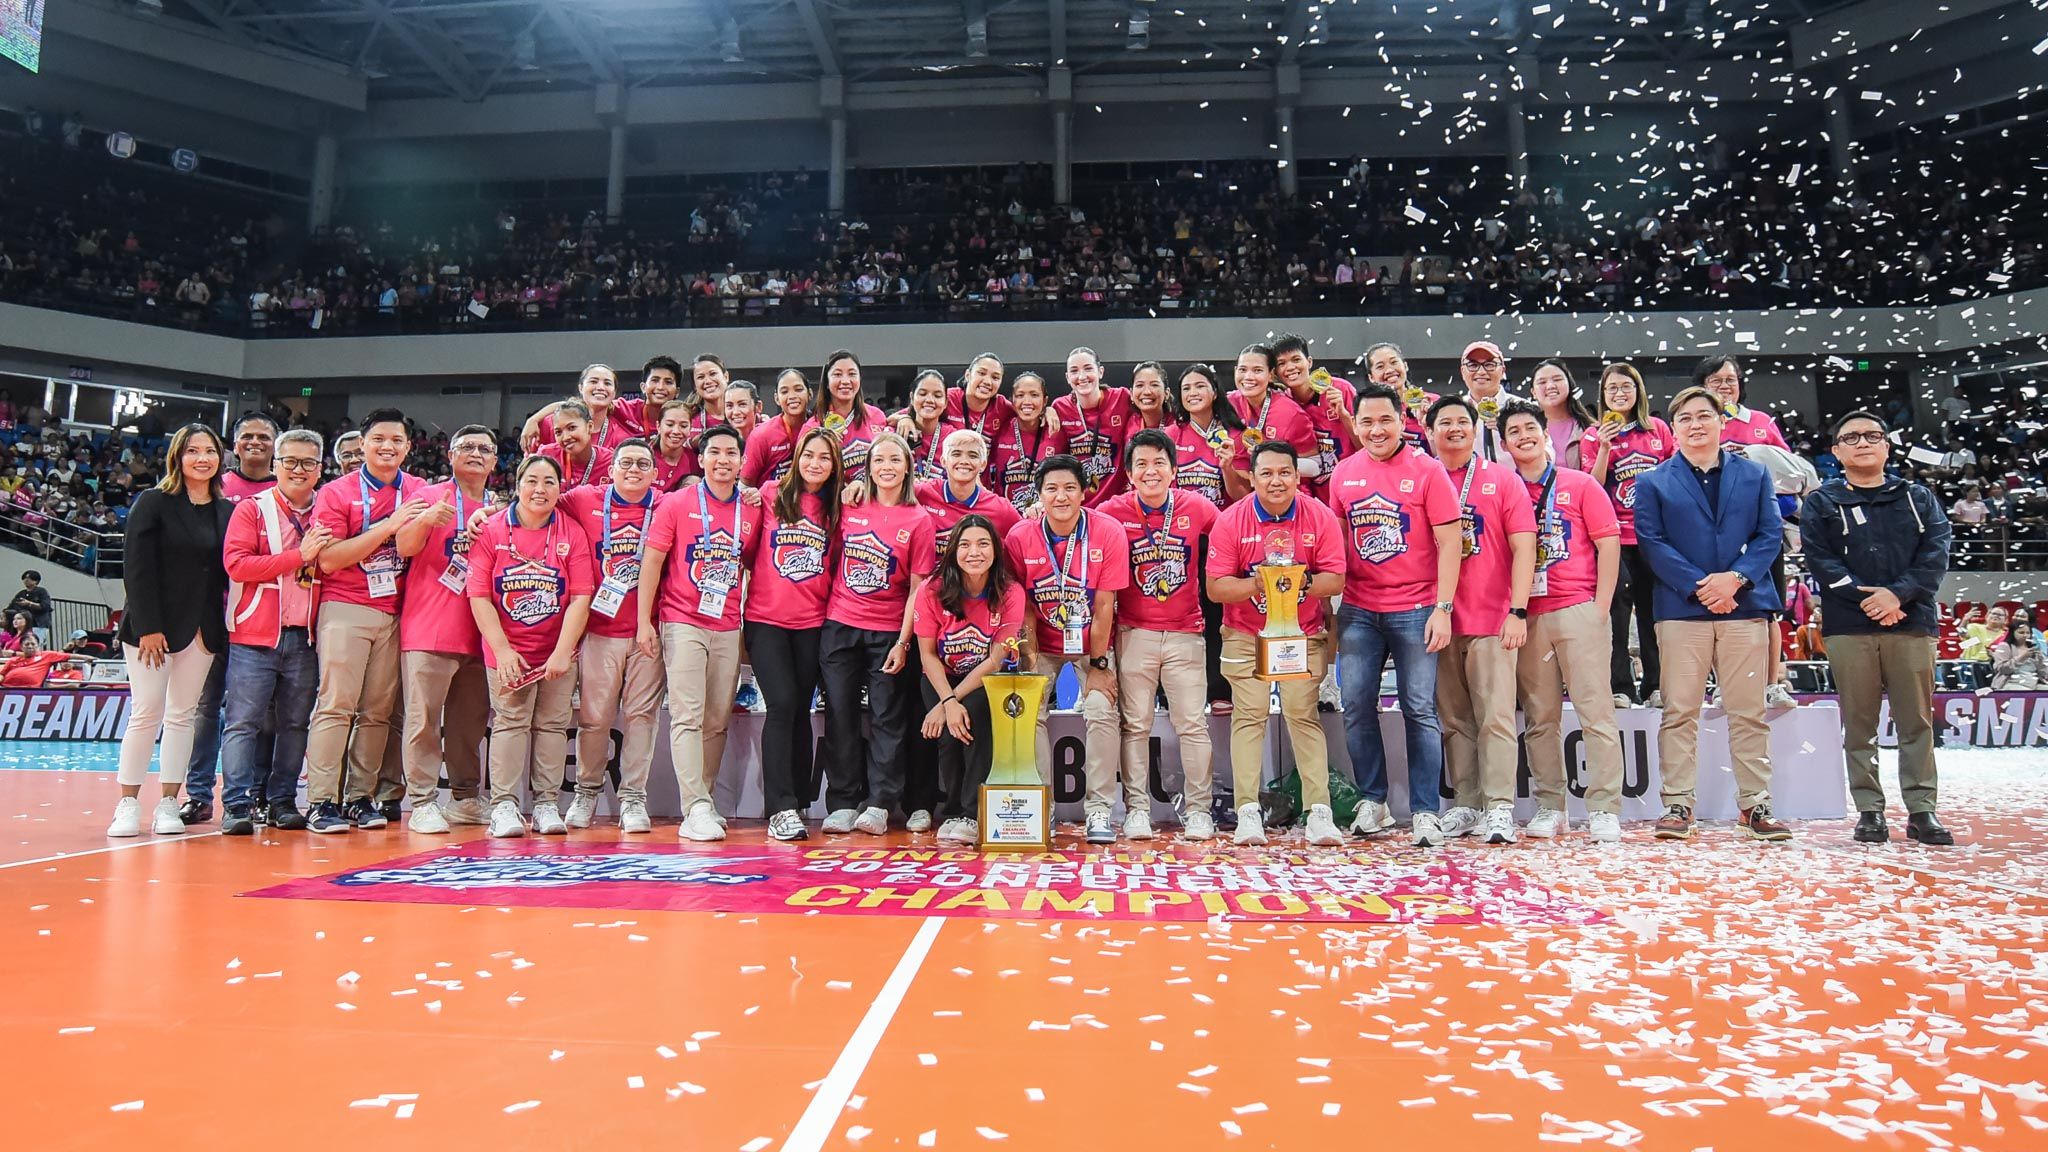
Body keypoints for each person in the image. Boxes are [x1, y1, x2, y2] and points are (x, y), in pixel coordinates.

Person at [1634, 386, 1788, 842]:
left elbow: (1769, 534)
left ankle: (1755, 805)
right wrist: (1702, 586)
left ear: (1722, 422)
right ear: (1673, 428)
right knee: (1679, 711)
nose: (1696, 425)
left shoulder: (1756, 475)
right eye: (1685, 418)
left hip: (1744, 605)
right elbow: (1651, 542)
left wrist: (1735, 580)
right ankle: (1678, 803)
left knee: (1748, 711)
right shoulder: (1653, 481)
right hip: (1682, 608)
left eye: (1705, 416)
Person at [1803, 410, 1957, 844]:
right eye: (1851, 437)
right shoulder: (1822, 502)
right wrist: (1868, 599)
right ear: (1836, 452)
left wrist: (1898, 595)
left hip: (1911, 622)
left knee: (1917, 723)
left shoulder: (1918, 497)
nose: (1863, 443)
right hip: (1849, 626)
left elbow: (1935, 555)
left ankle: (1922, 810)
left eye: (1873, 435)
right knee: (1859, 723)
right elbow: (1820, 559)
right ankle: (1870, 811)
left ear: (1886, 446)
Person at [1326, 382, 1461, 844]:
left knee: (1420, 709)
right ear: (1356, 424)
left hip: (1417, 607)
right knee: (1355, 706)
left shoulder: (1429, 471)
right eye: (1366, 421)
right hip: (1360, 609)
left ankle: (1425, 810)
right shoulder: (1343, 474)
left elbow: (1450, 544)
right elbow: (1338, 545)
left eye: (1385, 420)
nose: (1376, 429)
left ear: (1403, 419)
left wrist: (1443, 608)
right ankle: (1374, 800)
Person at [1206, 440, 1347, 846]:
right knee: (1248, 715)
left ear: (1297, 474)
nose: (1276, 481)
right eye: (1266, 473)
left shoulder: (1318, 516)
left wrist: (1295, 582)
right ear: (1251, 477)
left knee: (1302, 715)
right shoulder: (1232, 520)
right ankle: (1249, 811)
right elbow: (1216, 588)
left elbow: (1335, 579)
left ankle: (1318, 811)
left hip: (1300, 633)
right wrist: (1262, 583)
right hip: (1245, 633)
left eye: (1285, 472)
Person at [1498, 400, 1624, 843]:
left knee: (1596, 711)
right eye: (1514, 431)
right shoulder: (1505, 490)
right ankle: (1550, 805)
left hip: (1578, 607)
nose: (1524, 436)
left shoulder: (1581, 484)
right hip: (1529, 614)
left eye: (1530, 427)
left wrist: (1600, 606)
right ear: (1504, 442)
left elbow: (1609, 544)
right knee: (1539, 716)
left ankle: (1605, 807)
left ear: (1545, 434)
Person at [107, 424, 233, 838]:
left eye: (209, 451)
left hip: (203, 630)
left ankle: (167, 803)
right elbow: (137, 569)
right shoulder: (153, 502)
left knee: (183, 717)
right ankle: (127, 803)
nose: (202, 458)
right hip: (152, 630)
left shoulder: (226, 510)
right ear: (177, 457)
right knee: (146, 712)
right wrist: (148, 627)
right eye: (192, 451)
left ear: (219, 458)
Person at [307, 408, 428, 834]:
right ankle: (321, 800)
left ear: (408, 447)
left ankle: (360, 796)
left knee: (378, 711)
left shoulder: (419, 489)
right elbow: (328, 558)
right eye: (379, 439)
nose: (387, 447)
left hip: (396, 610)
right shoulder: (336, 492)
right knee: (337, 704)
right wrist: (388, 527)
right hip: (346, 605)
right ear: (363, 444)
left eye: (396, 440)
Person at [639, 425, 762, 841]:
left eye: (731, 453)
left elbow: (748, 566)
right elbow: (652, 564)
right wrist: (645, 622)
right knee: (687, 715)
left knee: (716, 719)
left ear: (742, 462)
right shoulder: (677, 503)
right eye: (715, 452)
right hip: (683, 620)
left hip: (728, 623)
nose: (723, 460)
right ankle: (693, 806)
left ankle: (704, 799)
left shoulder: (752, 508)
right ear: (703, 458)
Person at [1101, 430, 1221, 839]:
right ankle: (1136, 810)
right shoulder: (1113, 510)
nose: (1150, 472)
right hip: (1133, 633)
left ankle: (1200, 810)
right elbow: (1079, 529)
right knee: (1134, 725)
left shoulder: (1197, 507)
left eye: (1159, 464)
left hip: (1187, 631)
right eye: (1141, 465)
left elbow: (1231, 533)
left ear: (1174, 469)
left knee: (1193, 724)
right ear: (1130, 473)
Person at [1428, 396, 1537, 844]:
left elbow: (1525, 547)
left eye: (1462, 422)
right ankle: (1467, 804)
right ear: (1429, 429)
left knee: (1495, 716)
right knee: (1454, 719)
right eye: (1444, 422)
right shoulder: (1423, 478)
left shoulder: (1502, 479)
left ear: (1477, 430)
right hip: (1438, 619)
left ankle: (1499, 807)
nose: (1454, 429)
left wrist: (1518, 609)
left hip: (1492, 616)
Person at [1005, 453, 1131, 842]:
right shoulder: (1020, 536)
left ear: (1084, 493)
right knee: (1028, 711)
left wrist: (1098, 664)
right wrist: (1028, 659)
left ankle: (1099, 811)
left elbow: (1106, 604)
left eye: (1070, 488)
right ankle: (1041, 808)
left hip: (1089, 641)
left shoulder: (1107, 531)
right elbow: (1022, 603)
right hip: (1040, 641)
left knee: (1100, 708)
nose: (1061, 497)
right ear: (1038, 494)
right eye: (1051, 489)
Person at [469, 455, 595, 838]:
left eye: (549, 482)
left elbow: (580, 596)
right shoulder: (490, 530)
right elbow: (478, 596)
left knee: (554, 726)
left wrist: (562, 650)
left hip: (557, 650)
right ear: (517, 484)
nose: (540, 490)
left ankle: (545, 803)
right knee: (509, 722)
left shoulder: (571, 531)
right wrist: (503, 650)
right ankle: (504, 805)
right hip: (508, 651)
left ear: (560, 490)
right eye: (532, 481)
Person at [817, 433, 934, 834]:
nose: (886, 466)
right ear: (867, 466)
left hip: (887, 631)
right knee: (840, 714)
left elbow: (918, 589)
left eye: (894, 459)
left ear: (907, 467)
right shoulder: (849, 505)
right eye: (878, 459)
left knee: (887, 716)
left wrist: (903, 642)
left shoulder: (919, 519)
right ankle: (845, 800)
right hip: (840, 624)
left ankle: (881, 802)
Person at [219, 429, 332, 835]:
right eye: (290, 462)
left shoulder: (327, 511)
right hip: (255, 634)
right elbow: (237, 565)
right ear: (276, 465)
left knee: (295, 723)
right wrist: (296, 557)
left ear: (320, 469)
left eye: (308, 463)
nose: (298, 470)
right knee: (242, 722)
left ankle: (282, 800)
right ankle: (235, 804)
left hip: (306, 636)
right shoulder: (252, 509)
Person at [393, 424, 496, 834]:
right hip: (430, 627)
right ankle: (421, 800)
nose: (476, 453)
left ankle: (465, 798)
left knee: (469, 723)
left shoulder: (501, 507)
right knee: (422, 719)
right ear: (450, 456)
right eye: (466, 446)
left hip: (480, 632)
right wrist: (427, 521)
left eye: (484, 448)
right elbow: (403, 546)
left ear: (494, 460)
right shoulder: (428, 496)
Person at [560, 439, 666, 835]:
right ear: (612, 469)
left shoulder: (666, 504)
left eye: (643, 464)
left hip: (647, 630)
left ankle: (633, 796)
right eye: (626, 462)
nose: (634, 469)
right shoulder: (585, 498)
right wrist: (488, 513)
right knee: (594, 718)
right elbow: (536, 499)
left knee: (642, 717)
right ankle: (587, 791)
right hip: (600, 628)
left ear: (655, 475)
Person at [187, 410, 285, 824]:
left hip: (263, 620)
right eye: (248, 436)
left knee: (262, 715)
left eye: (265, 436)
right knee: (205, 707)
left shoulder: (288, 489)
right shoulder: (216, 487)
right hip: (214, 613)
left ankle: (256, 792)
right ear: (234, 443)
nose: (256, 442)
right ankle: (198, 793)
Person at [747, 429, 843, 841]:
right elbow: (748, 552)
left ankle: (800, 800)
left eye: (825, 457)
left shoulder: (837, 508)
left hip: (813, 623)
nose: (816, 463)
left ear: (835, 465)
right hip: (766, 621)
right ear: (797, 457)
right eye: (809, 455)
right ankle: (780, 807)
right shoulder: (769, 494)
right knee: (782, 704)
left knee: (801, 709)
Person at [913, 515, 1030, 845]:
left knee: (972, 718)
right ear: (952, 551)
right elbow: (927, 656)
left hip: (986, 678)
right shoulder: (931, 590)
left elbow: (996, 659)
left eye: (982, 543)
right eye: (964, 544)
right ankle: (950, 811)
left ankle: (970, 812)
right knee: (948, 736)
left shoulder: (1009, 592)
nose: (973, 552)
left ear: (995, 550)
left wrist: (952, 704)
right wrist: (946, 701)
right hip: (941, 676)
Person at [1583, 362, 1674, 708]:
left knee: (1653, 612)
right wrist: (1605, 448)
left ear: (1638, 391)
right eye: (1612, 389)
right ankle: (1620, 685)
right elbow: (1591, 485)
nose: (1619, 393)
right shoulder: (1594, 435)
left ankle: (1655, 684)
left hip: (1652, 536)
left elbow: (1673, 476)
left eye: (1626, 386)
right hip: (1612, 539)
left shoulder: (1659, 430)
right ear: (1603, 396)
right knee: (1616, 614)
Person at [1271, 332, 1358, 500]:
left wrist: (1344, 415)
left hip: (1351, 488)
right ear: (1275, 372)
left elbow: (1366, 447)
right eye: (1282, 363)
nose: (1290, 368)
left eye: (1296, 360)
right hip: (1315, 497)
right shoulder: (1282, 405)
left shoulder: (1341, 390)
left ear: (1309, 362)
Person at [1226, 343, 1318, 493]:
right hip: (1240, 498)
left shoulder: (1291, 413)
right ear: (1235, 371)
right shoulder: (1227, 404)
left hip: (1285, 498)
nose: (1248, 377)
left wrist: (1271, 459)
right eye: (1243, 370)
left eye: (1257, 370)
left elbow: (1315, 466)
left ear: (1271, 375)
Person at [1050, 347, 1135, 505]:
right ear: (1068, 377)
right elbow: (1058, 460)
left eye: (1088, 368)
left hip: (1116, 504)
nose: (1082, 377)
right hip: (1077, 506)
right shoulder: (1060, 407)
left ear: (1100, 372)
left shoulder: (1122, 398)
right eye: (1074, 371)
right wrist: (1045, 411)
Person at [1166, 363, 1249, 509]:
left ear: (1215, 393)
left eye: (1200, 386)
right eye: (1186, 388)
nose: (1192, 393)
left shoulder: (1236, 436)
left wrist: (1227, 468)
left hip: (1222, 523)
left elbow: (1242, 496)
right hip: (1181, 522)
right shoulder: (1169, 435)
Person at [806, 349, 890, 481]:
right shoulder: (813, 427)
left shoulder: (877, 416)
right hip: (832, 499)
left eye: (852, 374)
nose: (845, 381)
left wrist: (904, 418)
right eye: (837, 374)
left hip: (872, 498)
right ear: (827, 382)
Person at [521, 363, 640, 452]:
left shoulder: (620, 437)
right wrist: (533, 419)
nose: (600, 387)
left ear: (614, 393)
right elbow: (528, 470)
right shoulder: (550, 424)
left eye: (607, 383)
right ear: (580, 388)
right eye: (593, 381)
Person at [992, 371, 1067, 512]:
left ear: (1045, 401)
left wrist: (1049, 410)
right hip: (1005, 516)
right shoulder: (1000, 428)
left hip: (1045, 518)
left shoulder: (1057, 431)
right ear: (1012, 401)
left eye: (1034, 395)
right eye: (1020, 395)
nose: (1027, 401)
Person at [1695, 355, 1790, 450]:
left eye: (1731, 380)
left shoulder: (1762, 421)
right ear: (1702, 387)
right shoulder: (1692, 423)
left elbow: (1786, 461)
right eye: (1716, 381)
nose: (1724, 386)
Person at [741, 369, 813, 489]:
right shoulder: (761, 435)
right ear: (776, 398)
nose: (792, 396)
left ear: (810, 393)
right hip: (771, 505)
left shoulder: (820, 428)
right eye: (784, 392)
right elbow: (745, 486)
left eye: (798, 389)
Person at [946, 353, 1014, 469]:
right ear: (968, 375)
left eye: (995, 377)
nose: (987, 381)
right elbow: (916, 410)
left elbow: (1029, 413)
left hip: (982, 483)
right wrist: (905, 418)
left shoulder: (1003, 407)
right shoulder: (948, 398)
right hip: (947, 479)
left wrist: (1047, 411)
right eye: (981, 373)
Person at [1456, 340, 1519, 462]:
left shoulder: (1523, 407)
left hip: (1515, 479)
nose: (1481, 372)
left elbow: (1546, 454)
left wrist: (1513, 431)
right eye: (1473, 365)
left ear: (1503, 370)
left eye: (1490, 364)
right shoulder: (1454, 410)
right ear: (1462, 372)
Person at [1528, 359, 1594, 472]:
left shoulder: (1589, 428)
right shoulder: (1525, 430)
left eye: (1557, 379)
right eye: (1542, 382)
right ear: (1533, 392)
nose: (1550, 386)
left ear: (1569, 384)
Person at [538, 400, 615, 491]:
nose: (566, 437)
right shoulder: (547, 455)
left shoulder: (610, 461)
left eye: (572, 428)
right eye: (558, 432)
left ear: (589, 427)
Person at [1991, 617, 2048, 689]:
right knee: (2026, 693)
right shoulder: (2005, 646)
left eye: (2028, 633)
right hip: (2011, 683)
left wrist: (2040, 660)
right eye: (2021, 632)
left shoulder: (2034, 648)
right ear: (2013, 632)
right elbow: (2002, 669)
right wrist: (2022, 657)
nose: (2025, 635)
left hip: (2034, 683)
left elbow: (2045, 673)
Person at [5, 570, 50, 645]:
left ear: (36, 581)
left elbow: (45, 606)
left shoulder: (42, 591)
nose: (26, 580)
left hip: (38, 624)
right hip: (24, 625)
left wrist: (29, 603)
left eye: (29, 578)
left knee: (34, 644)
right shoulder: (21, 593)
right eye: (25, 578)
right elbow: (11, 606)